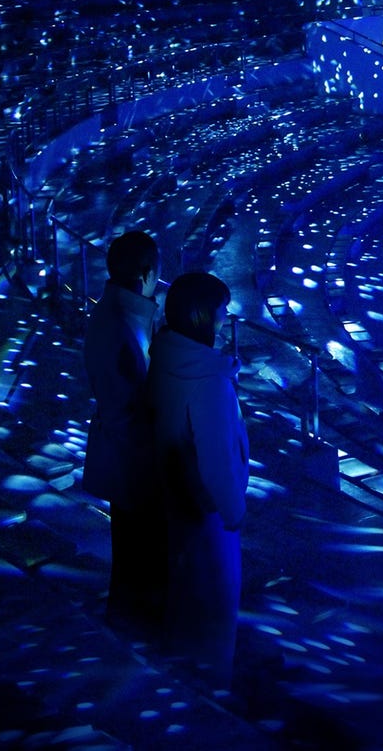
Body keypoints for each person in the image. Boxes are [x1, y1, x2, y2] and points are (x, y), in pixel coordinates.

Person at [148, 272, 249, 685]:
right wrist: (234, 511)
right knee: (213, 608)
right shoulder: (209, 382)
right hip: (206, 513)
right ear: (202, 316)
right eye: (221, 309)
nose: (226, 318)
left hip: (171, 500)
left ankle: (182, 677)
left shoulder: (165, 357)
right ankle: (210, 695)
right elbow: (216, 460)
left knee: (184, 600)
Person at [82, 230, 164, 638]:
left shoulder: (113, 313)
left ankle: (129, 625)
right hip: (134, 458)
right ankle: (135, 636)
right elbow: (144, 395)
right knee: (139, 555)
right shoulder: (127, 324)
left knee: (131, 551)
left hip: (123, 454)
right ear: (147, 272)